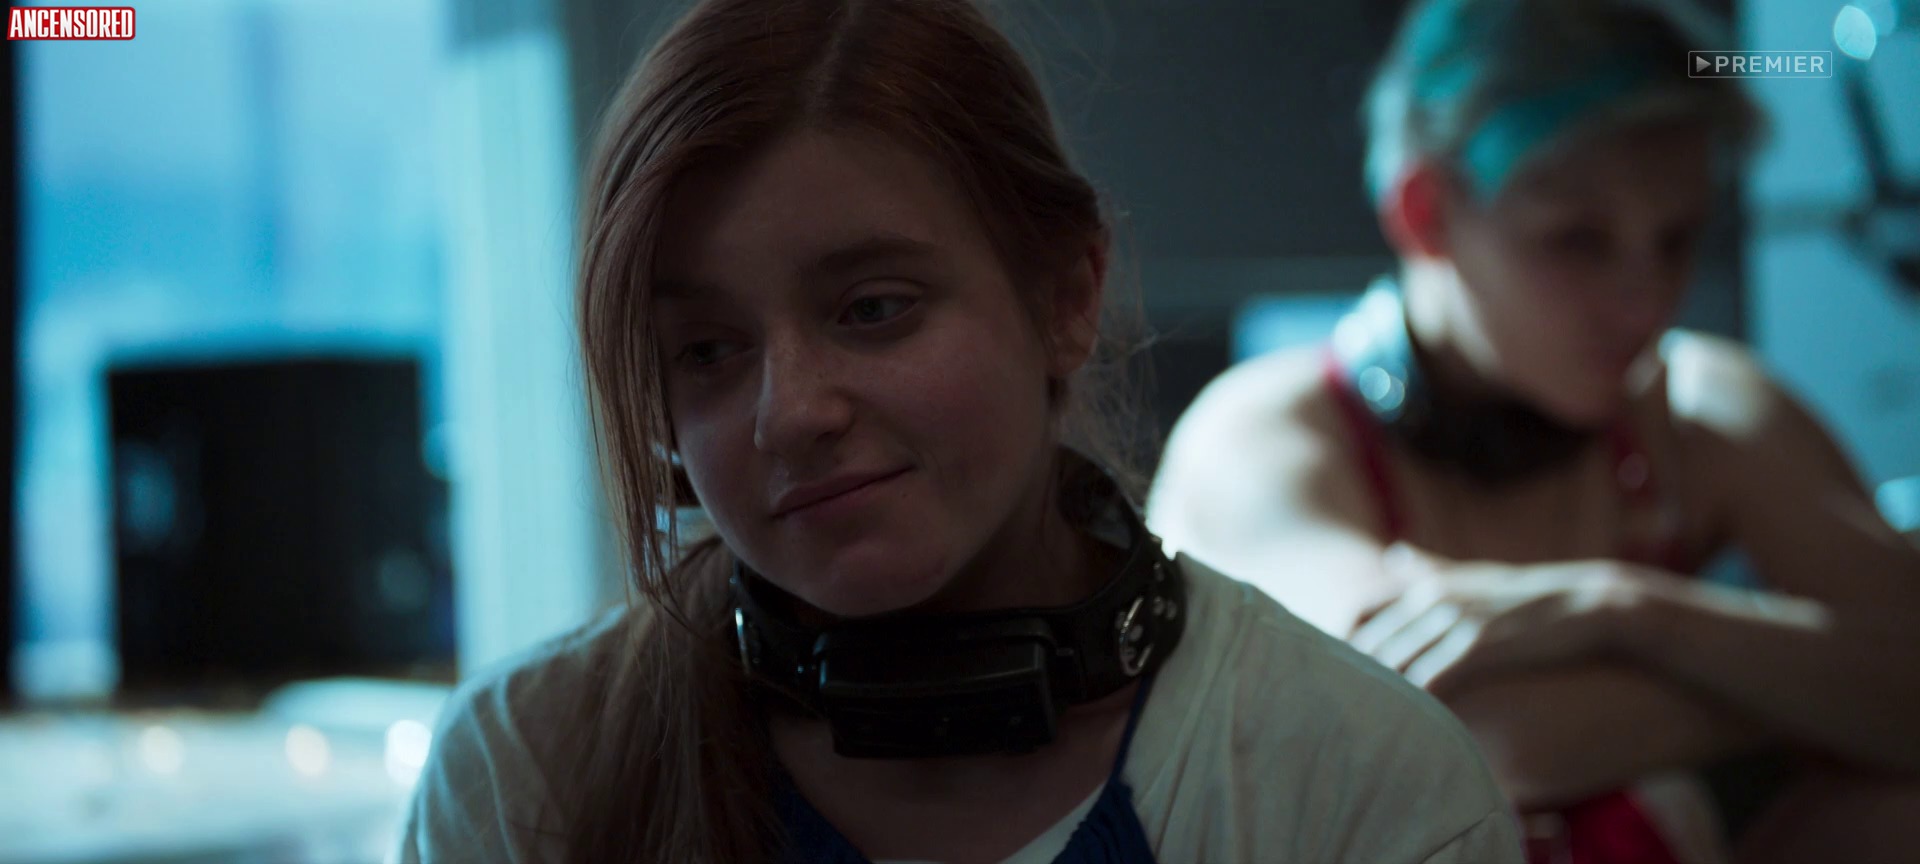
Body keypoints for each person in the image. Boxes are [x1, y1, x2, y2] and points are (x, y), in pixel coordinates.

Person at [395, 1, 1523, 862]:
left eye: (873, 309)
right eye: (706, 351)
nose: (792, 413)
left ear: (1067, 295)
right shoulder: (528, 772)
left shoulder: (1360, 784)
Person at [1149, 1, 1920, 862]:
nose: (1645, 302)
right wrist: (1804, 690)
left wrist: (1627, 613)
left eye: (1677, 239)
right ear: (1425, 211)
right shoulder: (1264, 440)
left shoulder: (1698, 411)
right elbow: (1448, 742)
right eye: (1578, 240)